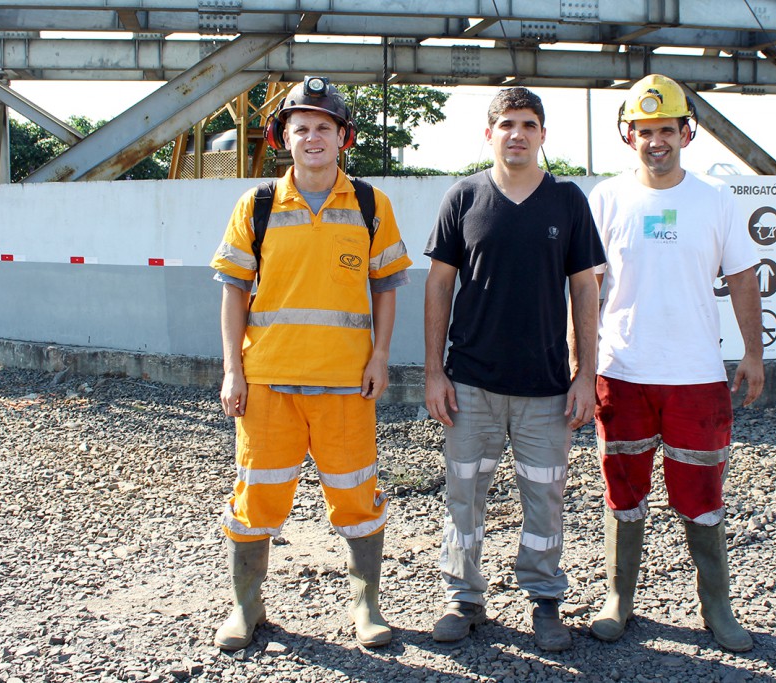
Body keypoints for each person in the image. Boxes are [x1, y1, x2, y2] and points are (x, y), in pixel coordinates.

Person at [208, 76, 412, 651]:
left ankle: (365, 607)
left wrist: (380, 358)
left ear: (343, 137)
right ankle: (246, 608)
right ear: (283, 138)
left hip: (347, 383)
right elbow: (232, 291)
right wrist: (232, 370)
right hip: (268, 381)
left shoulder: (371, 204)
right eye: (302, 128)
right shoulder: (259, 205)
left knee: (356, 495)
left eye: (324, 127)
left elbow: (387, 288)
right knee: (256, 497)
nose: (313, 137)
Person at [423, 87, 605, 652]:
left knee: (545, 497)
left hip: (546, 388)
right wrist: (434, 372)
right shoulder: (464, 198)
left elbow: (584, 289)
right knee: (464, 496)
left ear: (543, 134)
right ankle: (463, 596)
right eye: (507, 123)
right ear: (489, 133)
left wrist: (584, 375)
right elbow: (438, 287)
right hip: (470, 385)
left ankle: (545, 597)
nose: (518, 133)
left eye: (529, 123)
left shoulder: (568, 201)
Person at [586, 74, 764, 652]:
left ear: (686, 133)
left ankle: (717, 609)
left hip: (696, 378)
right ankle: (619, 599)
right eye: (645, 130)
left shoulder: (715, 200)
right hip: (622, 372)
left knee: (702, 493)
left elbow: (741, 279)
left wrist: (754, 355)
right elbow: (585, 290)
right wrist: (578, 366)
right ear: (628, 135)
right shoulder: (606, 199)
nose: (656, 140)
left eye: (667, 129)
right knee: (623, 488)